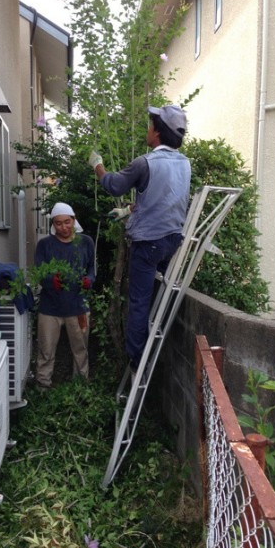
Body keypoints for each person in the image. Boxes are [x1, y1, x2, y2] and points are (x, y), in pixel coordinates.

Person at [88, 105, 191, 378]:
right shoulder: (184, 163)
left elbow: (113, 185)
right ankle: (153, 351)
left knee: (138, 303)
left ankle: (137, 362)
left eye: (150, 126)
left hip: (148, 245)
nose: (147, 130)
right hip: (172, 240)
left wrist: (97, 165)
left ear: (157, 132)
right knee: (157, 297)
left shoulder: (144, 163)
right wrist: (129, 210)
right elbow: (163, 199)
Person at [34, 202, 95, 389]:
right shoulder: (44, 244)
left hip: (78, 307)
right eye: (58, 223)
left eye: (67, 222)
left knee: (80, 349)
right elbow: (39, 272)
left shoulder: (85, 242)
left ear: (73, 220)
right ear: (53, 223)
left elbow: (92, 269)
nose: (63, 227)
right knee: (46, 349)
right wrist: (50, 280)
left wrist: (89, 281)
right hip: (50, 308)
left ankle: (80, 385)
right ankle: (42, 386)